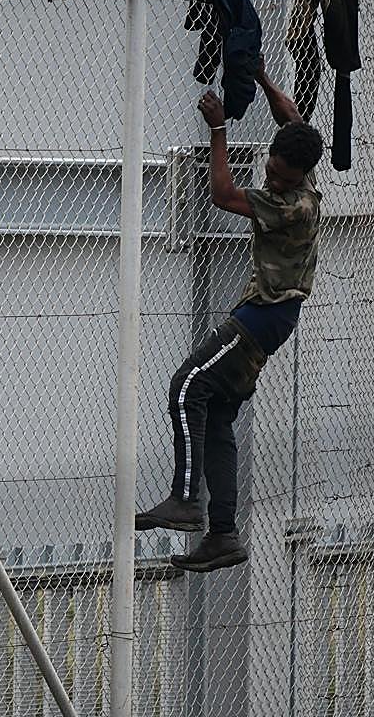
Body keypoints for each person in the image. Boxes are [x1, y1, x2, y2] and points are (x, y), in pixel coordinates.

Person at [135, 62, 323, 573]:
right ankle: (223, 534)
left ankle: (184, 499)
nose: (272, 177)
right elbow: (292, 117)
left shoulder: (292, 204)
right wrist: (260, 77)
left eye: (281, 177)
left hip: (263, 317)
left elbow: (221, 195)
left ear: (298, 177)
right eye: (271, 169)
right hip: (270, 316)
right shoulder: (300, 157)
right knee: (216, 415)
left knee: (186, 386)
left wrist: (218, 128)